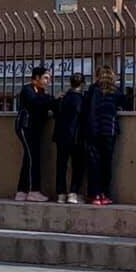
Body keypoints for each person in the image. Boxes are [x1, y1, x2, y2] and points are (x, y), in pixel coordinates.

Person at [83, 65, 126, 205]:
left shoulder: (93, 90)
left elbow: (86, 106)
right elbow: (125, 104)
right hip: (109, 130)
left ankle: (94, 195)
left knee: (94, 163)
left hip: (93, 130)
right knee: (106, 163)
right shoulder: (116, 92)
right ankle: (105, 194)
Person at [14, 67, 55, 202]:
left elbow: (47, 104)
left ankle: (22, 190)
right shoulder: (28, 90)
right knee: (33, 158)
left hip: (35, 129)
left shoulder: (42, 92)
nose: (48, 81)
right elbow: (35, 102)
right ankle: (33, 190)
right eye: (45, 78)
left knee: (29, 158)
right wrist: (50, 98)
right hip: (26, 127)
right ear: (37, 78)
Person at [54, 73, 86, 204]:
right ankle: (73, 193)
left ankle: (61, 193)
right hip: (76, 136)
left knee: (61, 165)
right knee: (78, 165)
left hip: (61, 135)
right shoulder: (82, 99)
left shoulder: (62, 98)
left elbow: (55, 113)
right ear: (82, 84)